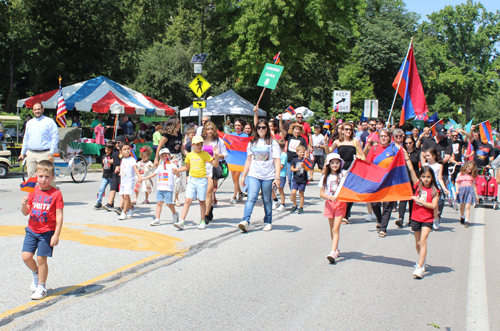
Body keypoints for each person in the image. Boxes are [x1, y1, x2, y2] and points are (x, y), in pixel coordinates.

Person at [21, 160, 64, 299]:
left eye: (47, 176)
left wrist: (56, 234)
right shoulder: (32, 190)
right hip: (32, 230)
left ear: (52, 177)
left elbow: (59, 216)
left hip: (47, 232)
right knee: (26, 257)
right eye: (40, 176)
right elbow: (26, 212)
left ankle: (41, 286)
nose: (43, 179)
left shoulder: (56, 194)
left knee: (41, 259)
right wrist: (24, 204)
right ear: (36, 176)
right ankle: (36, 273)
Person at [238, 119, 281, 232]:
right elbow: (248, 159)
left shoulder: (273, 143)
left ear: (267, 129)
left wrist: (277, 177)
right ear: (256, 130)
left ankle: (268, 221)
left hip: (268, 176)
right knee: (251, 197)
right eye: (259, 127)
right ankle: (245, 221)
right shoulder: (252, 142)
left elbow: (277, 160)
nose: (261, 129)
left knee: (266, 199)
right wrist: (244, 175)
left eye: (263, 127)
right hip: (254, 174)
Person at [173, 136, 219, 230]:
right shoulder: (189, 155)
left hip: (202, 180)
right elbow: (186, 167)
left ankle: (202, 221)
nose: (200, 146)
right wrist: (177, 169)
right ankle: (182, 221)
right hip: (192, 180)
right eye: (197, 144)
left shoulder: (205, 154)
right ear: (193, 145)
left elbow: (215, 164)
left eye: (201, 144)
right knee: (187, 200)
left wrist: (216, 155)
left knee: (202, 201)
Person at [405, 160, 440, 279]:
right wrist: (407, 158)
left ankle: (419, 268)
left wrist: (419, 201)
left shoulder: (435, 191)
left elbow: (433, 206)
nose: (426, 179)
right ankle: (422, 260)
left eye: (429, 177)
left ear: (432, 178)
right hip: (415, 217)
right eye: (424, 177)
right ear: (420, 177)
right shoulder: (417, 186)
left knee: (423, 241)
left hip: (427, 219)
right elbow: (411, 170)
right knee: (417, 243)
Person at [326, 121, 365, 224]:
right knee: (340, 191)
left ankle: (346, 215)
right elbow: (329, 151)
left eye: (350, 129)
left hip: (352, 169)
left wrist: (359, 157)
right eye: (346, 129)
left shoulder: (355, 141)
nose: (348, 131)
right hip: (340, 168)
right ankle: (340, 212)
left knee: (350, 192)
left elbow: (363, 155)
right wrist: (326, 143)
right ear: (342, 131)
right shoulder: (338, 141)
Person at [19, 103, 59, 187]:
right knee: (31, 177)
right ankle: (32, 197)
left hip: (44, 153)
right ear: (33, 111)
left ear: (42, 109)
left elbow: (55, 138)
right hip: (31, 153)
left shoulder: (49, 122)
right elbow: (26, 138)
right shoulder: (29, 123)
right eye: (35, 109)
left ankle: (55, 195)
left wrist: (51, 152)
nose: (37, 111)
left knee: (47, 176)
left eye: (38, 109)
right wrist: (22, 153)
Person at [318, 153, 347, 264]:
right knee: (332, 229)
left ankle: (333, 252)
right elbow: (321, 193)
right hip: (329, 204)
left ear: (340, 163)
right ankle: (336, 248)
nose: (335, 165)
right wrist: (328, 196)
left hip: (340, 204)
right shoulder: (326, 177)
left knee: (336, 229)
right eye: (333, 163)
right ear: (329, 164)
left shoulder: (344, 174)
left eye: (337, 162)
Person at [366, 128, 395, 237]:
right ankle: (379, 220)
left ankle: (383, 228)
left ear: (389, 138)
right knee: (375, 204)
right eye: (382, 136)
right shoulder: (374, 149)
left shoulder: (393, 149)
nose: (383, 138)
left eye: (385, 136)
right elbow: (368, 164)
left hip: (389, 181)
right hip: (376, 181)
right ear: (378, 138)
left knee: (387, 205)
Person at [140, 148, 180, 226]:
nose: (165, 157)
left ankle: (175, 214)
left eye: (166, 155)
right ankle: (157, 219)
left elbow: (178, 175)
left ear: (169, 155)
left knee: (169, 203)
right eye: (162, 156)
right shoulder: (160, 166)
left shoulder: (172, 165)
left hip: (168, 188)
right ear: (160, 157)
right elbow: (153, 174)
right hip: (160, 189)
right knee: (159, 203)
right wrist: (144, 178)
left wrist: (176, 172)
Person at [155, 117, 186, 207]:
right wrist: (156, 159)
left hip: (178, 157)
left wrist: (190, 156)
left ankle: (176, 198)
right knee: (167, 179)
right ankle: (167, 198)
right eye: (179, 122)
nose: (180, 124)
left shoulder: (179, 134)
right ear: (174, 124)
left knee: (178, 178)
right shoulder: (167, 135)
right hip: (168, 158)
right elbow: (159, 147)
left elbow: (182, 148)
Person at [201, 121, 228, 224]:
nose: (210, 131)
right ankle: (209, 207)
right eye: (208, 129)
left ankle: (206, 215)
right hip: (202, 168)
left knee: (209, 191)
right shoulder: (201, 140)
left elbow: (225, 154)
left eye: (211, 129)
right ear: (205, 130)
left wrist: (216, 156)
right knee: (203, 192)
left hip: (213, 167)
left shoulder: (218, 141)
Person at [278, 114, 308, 190]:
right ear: (293, 130)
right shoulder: (289, 136)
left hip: (298, 160)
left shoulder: (302, 139)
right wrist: (280, 120)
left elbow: (305, 149)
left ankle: (295, 191)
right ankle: (292, 192)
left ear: (300, 131)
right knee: (290, 178)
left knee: (295, 177)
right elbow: (281, 130)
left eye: (298, 129)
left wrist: (306, 158)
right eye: (295, 129)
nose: (297, 131)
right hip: (289, 160)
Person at [423, 147, 449, 230]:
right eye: (426, 156)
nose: (427, 157)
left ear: (434, 156)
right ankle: (427, 221)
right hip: (426, 186)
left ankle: (435, 218)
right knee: (426, 204)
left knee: (435, 205)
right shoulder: (425, 165)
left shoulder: (439, 166)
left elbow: (440, 178)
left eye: (428, 155)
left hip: (435, 186)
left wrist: (444, 188)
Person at [397, 135, 420, 227]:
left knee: (412, 200)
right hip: (404, 178)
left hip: (414, 178)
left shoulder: (417, 153)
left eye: (410, 143)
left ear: (413, 143)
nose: (408, 145)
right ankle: (400, 218)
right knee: (403, 199)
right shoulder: (401, 152)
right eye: (406, 143)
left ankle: (411, 218)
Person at [118, 142, 142, 220]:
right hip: (123, 180)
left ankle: (124, 212)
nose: (127, 151)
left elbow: (135, 168)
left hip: (129, 180)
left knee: (126, 196)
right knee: (124, 196)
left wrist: (139, 176)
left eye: (128, 149)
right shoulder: (123, 159)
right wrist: (119, 170)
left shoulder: (132, 159)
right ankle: (131, 209)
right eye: (124, 149)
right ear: (121, 152)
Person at [103, 136, 125, 214]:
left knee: (123, 190)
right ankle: (109, 204)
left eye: (119, 142)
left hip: (123, 174)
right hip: (115, 173)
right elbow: (112, 160)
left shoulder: (125, 151)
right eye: (116, 143)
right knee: (113, 188)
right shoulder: (115, 151)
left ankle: (121, 206)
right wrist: (106, 161)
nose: (117, 144)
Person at [229, 118, 249, 204]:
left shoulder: (245, 136)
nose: (237, 127)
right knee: (234, 179)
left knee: (236, 178)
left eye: (239, 125)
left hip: (240, 159)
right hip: (232, 158)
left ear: (242, 126)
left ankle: (234, 196)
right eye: (236, 125)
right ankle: (240, 193)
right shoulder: (231, 135)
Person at [456, 161, 479, 228]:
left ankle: (467, 220)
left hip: (469, 191)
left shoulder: (471, 176)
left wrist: (476, 195)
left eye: (471, 169)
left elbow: (474, 186)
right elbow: (457, 182)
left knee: (468, 206)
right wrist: (457, 190)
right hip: (462, 191)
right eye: (468, 168)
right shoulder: (460, 174)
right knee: (462, 206)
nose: (469, 170)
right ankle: (462, 216)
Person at [94, 142, 115, 209]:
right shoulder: (104, 156)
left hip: (112, 175)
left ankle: (111, 202)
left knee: (112, 190)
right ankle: (99, 202)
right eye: (106, 149)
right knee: (101, 189)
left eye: (108, 150)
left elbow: (113, 161)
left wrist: (108, 161)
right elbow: (103, 166)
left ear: (111, 150)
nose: (107, 151)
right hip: (105, 176)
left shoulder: (113, 156)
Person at [290, 145, 308, 214]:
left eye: (303, 152)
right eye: (300, 152)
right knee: (293, 192)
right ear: (297, 152)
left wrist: (304, 166)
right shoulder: (294, 160)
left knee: (301, 193)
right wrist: (295, 169)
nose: (302, 154)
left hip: (303, 179)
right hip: (295, 179)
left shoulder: (306, 160)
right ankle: (294, 205)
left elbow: (307, 169)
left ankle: (301, 207)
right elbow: (291, 168)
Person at [273, 139, 287, 212]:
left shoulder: (284, 155)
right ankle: (275, 200)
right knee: (271, 188)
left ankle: (283, 204)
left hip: (281, 174)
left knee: (280, 190)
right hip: (274, 174)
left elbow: (281, 165)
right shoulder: (276, 154)